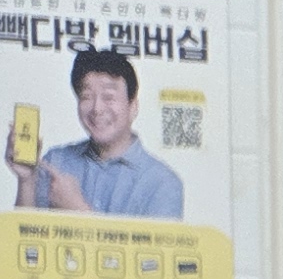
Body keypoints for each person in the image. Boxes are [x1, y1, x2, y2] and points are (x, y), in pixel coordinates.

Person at [20, 47, 185, 220]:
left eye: (108, 97)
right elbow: (23, 233)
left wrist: (78, 210)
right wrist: (26, 179)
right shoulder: (56, 161)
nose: (97, 109)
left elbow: (153, 241)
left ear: (133, 106)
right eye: (86, 96)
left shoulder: (163, 183)